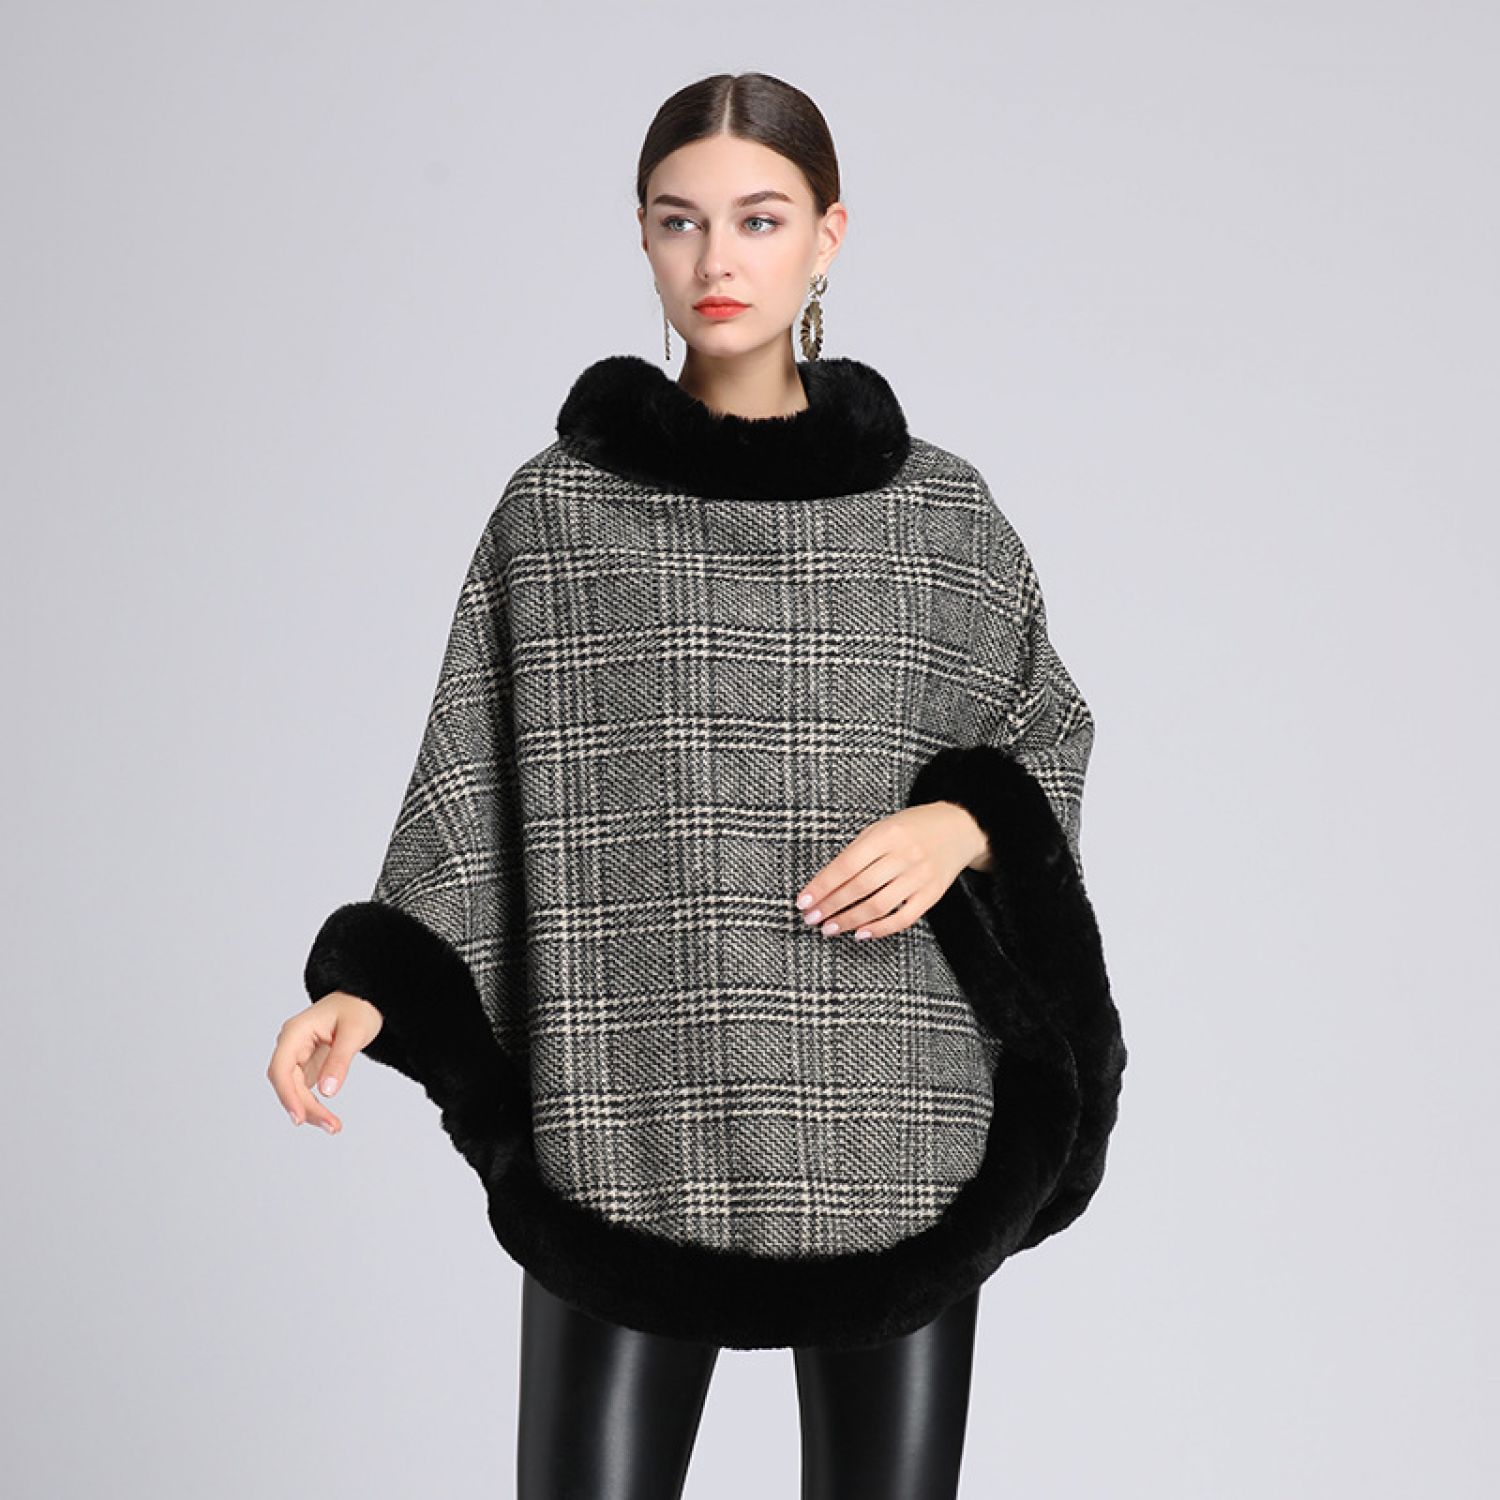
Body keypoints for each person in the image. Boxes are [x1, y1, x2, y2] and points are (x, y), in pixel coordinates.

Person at [268, 71, 1125, 1500]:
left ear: (829, 235)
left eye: (759, 218)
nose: (717, 258)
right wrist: (373, 987)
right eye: (680, 221)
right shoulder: (559, 514)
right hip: (629, 1111)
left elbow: (1049, 732)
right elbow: (472, 775)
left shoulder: (941, 518)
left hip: (890, 1115)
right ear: (644, 237)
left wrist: (964, 821)